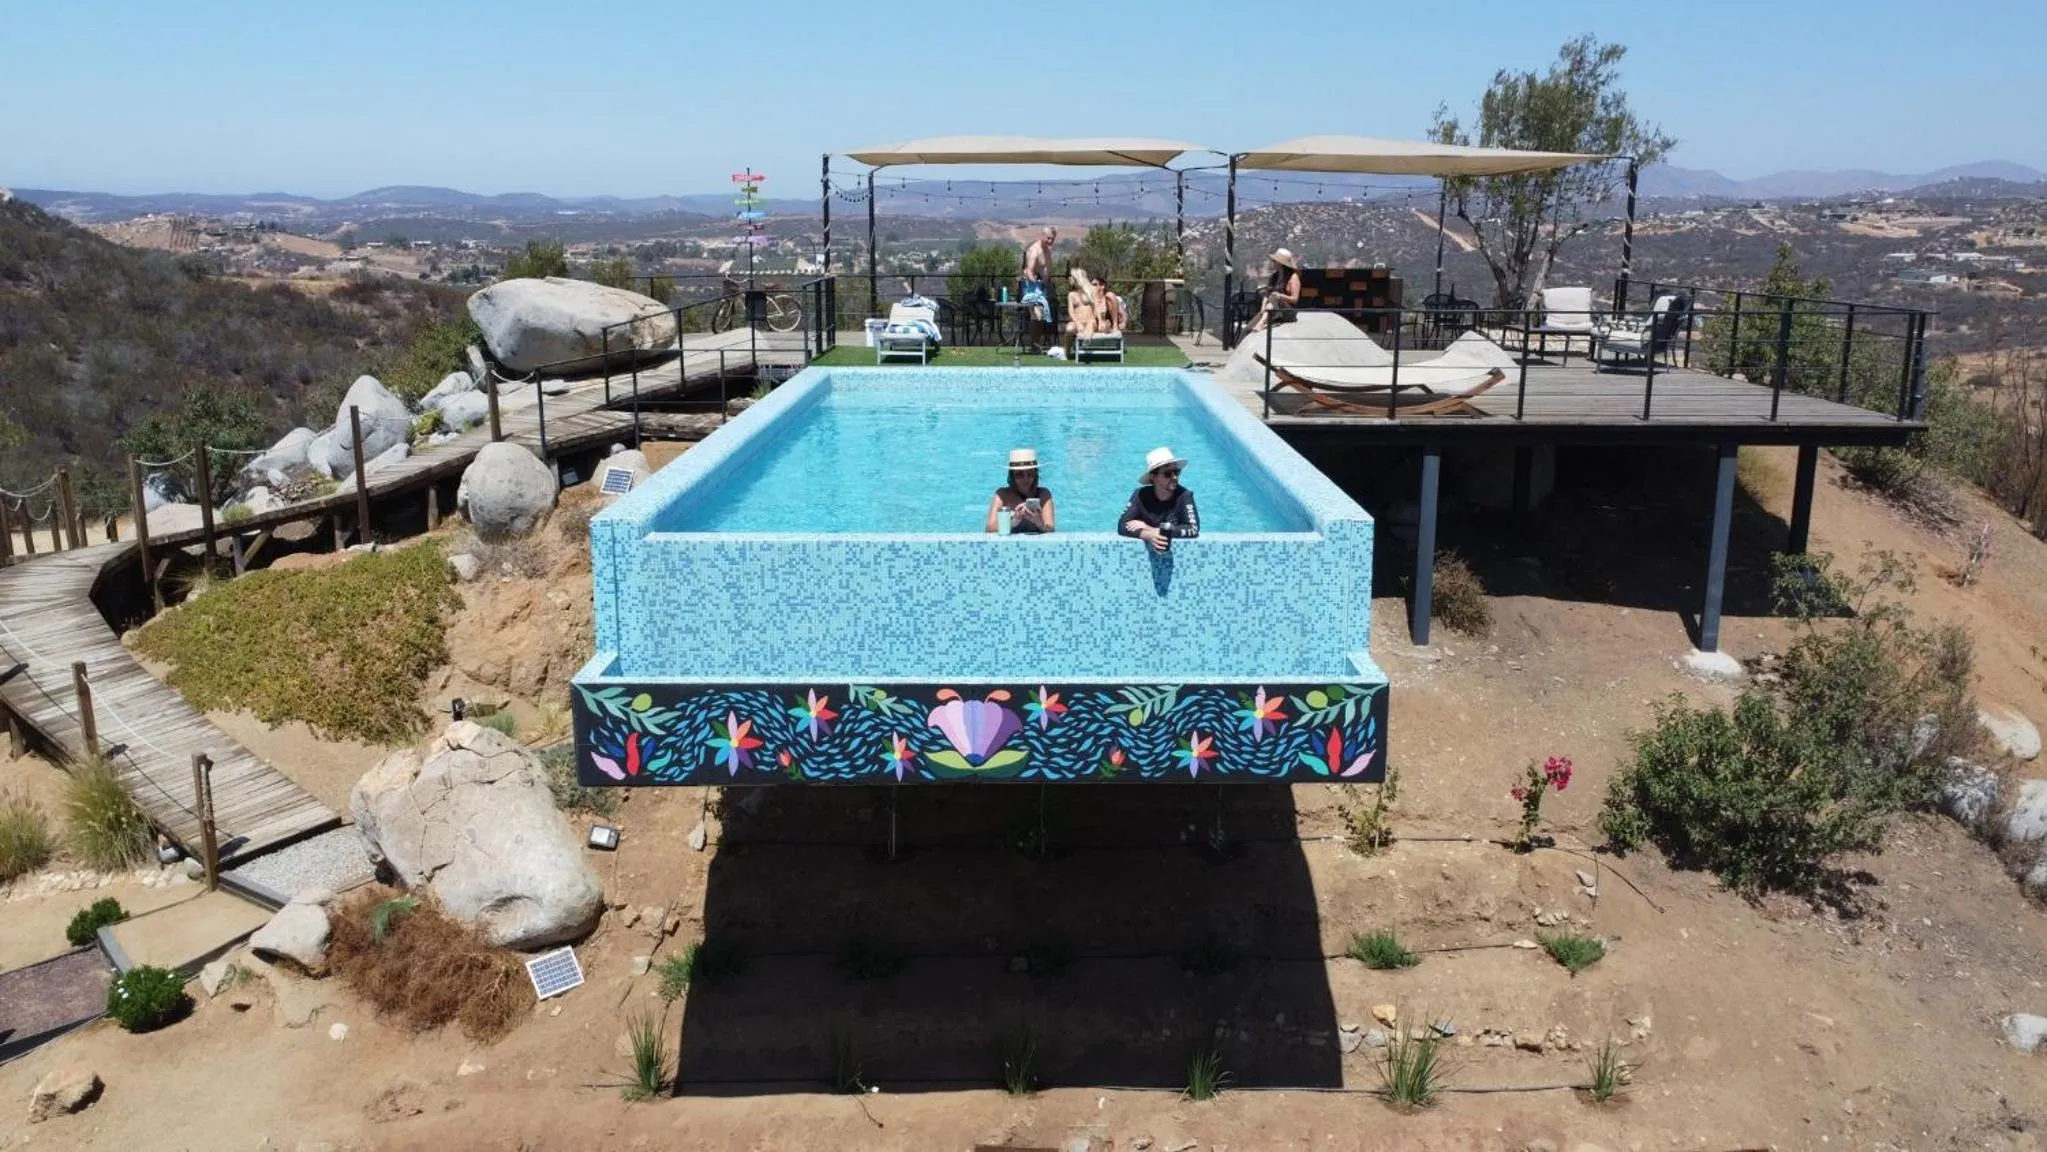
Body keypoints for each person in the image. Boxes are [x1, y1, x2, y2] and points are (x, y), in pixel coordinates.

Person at [1118, 447, 1199, 553]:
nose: (1174, 477)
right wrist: (1148, 535)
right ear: (1153, 477)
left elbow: (1193, 529)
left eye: (1176, 472)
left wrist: (1150, 529)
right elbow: (1122, 525)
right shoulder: (1140, 495)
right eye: (1168, 474)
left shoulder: (1184, 496)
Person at [986, 448, 1056, 535]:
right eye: (1019, 475)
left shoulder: (1043, 494)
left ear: (1035, 475)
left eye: (1030, 474)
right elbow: (989, 528)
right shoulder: (1002, 495)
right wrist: (1013, 521)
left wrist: (1039, 523)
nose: (1025, 479)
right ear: (1012, 477)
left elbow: (1051, 530)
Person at [1019, 226, 1057, 349]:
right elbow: (1029, 272)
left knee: (1049, 314)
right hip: (1033, 288)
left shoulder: (1048, 250)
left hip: (1046, 286)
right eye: (1048, 238)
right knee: (1037, 315)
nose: (1050, 241)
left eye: (1052, 239)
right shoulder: (1034, 250)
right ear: (1042, 236)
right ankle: (1034, 344)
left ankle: (1044, 342)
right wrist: (1037, 283)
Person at [1249, 247, 1301, 333]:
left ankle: (1262, 323)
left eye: (1274, 260)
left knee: (1274, 296)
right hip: (1271, 308)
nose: (1272, 262)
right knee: (1247, 328)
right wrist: (1263, 306)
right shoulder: (1274, 276)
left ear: (1280, 263)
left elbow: (1295, 299)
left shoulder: (1293, 277)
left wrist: (1280, 296)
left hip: (1288, 312)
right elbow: (1267, 293)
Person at [1064, 268, 1099, 354]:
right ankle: (1067, 352)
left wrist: (1101, 321)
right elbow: (1071, 312)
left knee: (1091, 325)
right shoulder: (1071, 294)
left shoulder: (1092, 291)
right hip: (1077, 321)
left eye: (1071, 277)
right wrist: (1077, 322)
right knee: (1069, 329)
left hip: (1090, 320)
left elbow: (1097, 308)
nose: (1069, 279)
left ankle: (1085, 342)